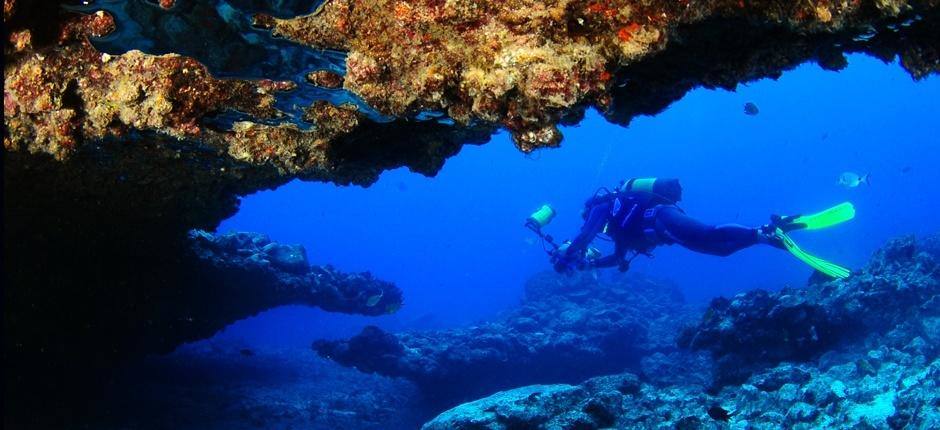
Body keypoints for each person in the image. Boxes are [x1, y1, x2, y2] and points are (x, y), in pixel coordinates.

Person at [552, 177, 788, 273]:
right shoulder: (617, 229)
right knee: (721, 250)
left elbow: (584, 236)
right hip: (662, 230)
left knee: (707, 234)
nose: (591, 222)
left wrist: (568, 254)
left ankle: (762, 230)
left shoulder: (600, 207)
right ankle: (763, 237)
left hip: (660, 217)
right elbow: (618, 258)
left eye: (587, 217)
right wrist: (592, 264)